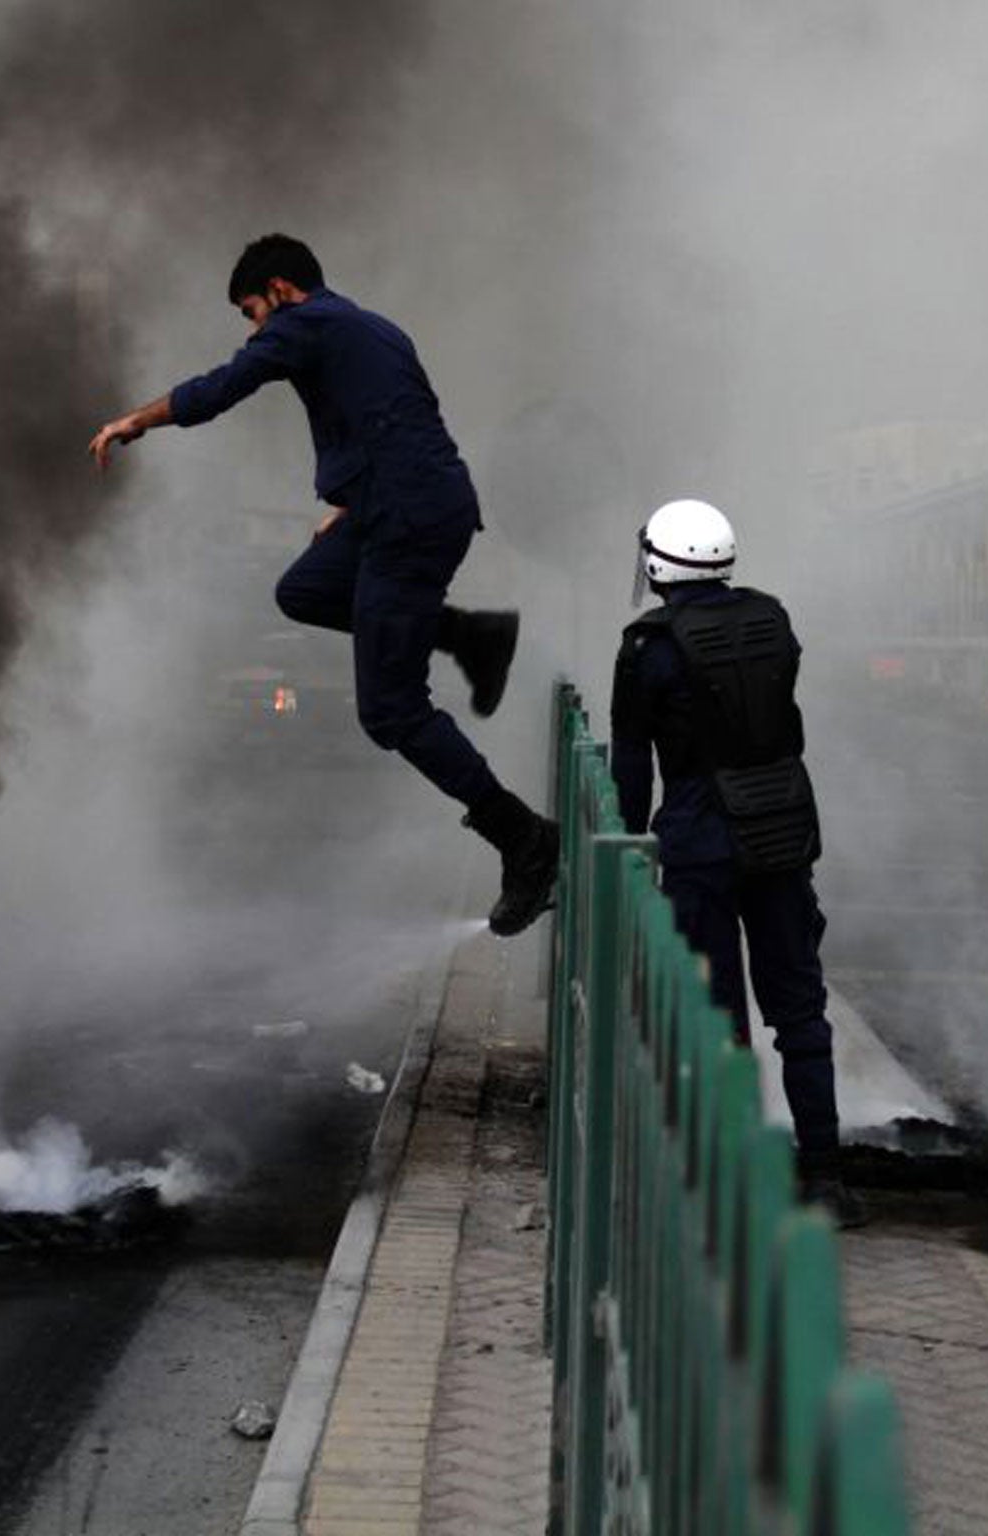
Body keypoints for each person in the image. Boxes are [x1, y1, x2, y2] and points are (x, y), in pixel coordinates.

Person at [89, 235, 557, 936]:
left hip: (408, 520)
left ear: (280, 290)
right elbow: (403, 414)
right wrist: (351, 496)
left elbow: (223, 387)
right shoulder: (369, 328)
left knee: (391, 712)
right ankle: (468, 633)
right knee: (304, 590)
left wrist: (137, 421)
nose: (255, 330)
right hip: (401, 504)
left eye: (252, 312)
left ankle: (522, 839)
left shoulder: (303, 325)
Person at [609, 498, 864, 1224]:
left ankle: (725, 1182)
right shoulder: (773, 620)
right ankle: (824, 1178)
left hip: (699, 839)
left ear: (659, 562)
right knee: (800, 1009)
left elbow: (633, 761)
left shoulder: (646, 647)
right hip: (783, 827)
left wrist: (628, 848)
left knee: (716, 1017)